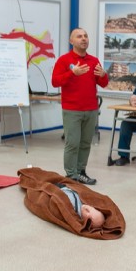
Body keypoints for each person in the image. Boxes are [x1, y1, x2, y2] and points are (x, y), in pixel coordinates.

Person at [51, 28, 109, 185]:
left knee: (85, 143)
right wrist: (72, 73)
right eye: (79, 36)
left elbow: (103, 83)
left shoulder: (93, 60)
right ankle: (70, 175)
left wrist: (103, 75)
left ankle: (81, 172)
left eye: (85, 36)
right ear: (71, 41)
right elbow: (55, 81)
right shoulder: (64, 60)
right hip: (72, 110)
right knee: (73, 143)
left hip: (91, 109)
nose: (84, 39)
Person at [18, 167, 125, 240]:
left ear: (87, 217)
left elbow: (52, 203)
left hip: (55, 190)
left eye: (92, 210)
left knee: (36, 182)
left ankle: (28, 173)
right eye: (95, 209)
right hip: (66, 186)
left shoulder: (73, 210)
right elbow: (88, 194)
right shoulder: (84, 205)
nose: (92, 207)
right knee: (51, 175)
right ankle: (32, 170)